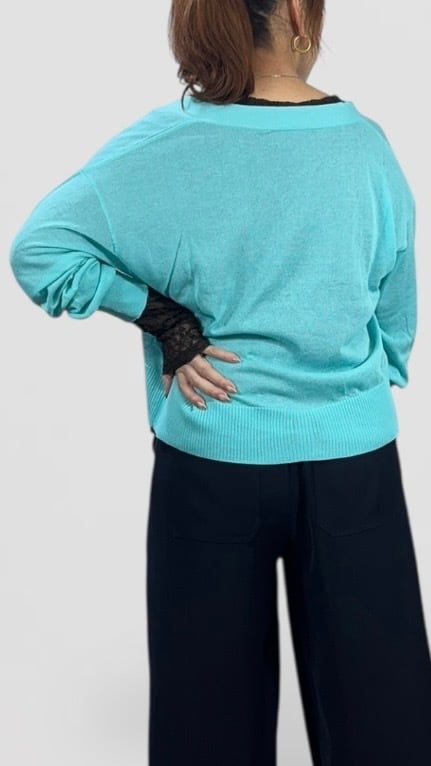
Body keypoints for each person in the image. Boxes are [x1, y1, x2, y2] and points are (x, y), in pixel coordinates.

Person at [9, 0, 431, 764]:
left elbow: (40, 248)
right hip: (352, 471)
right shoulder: (364, 147)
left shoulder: (169, 142)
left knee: (206, 734)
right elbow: (395, 319)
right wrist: (346, 394)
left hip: (211, 465)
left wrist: (164, 320)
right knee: (384, 732)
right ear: (297, 11)